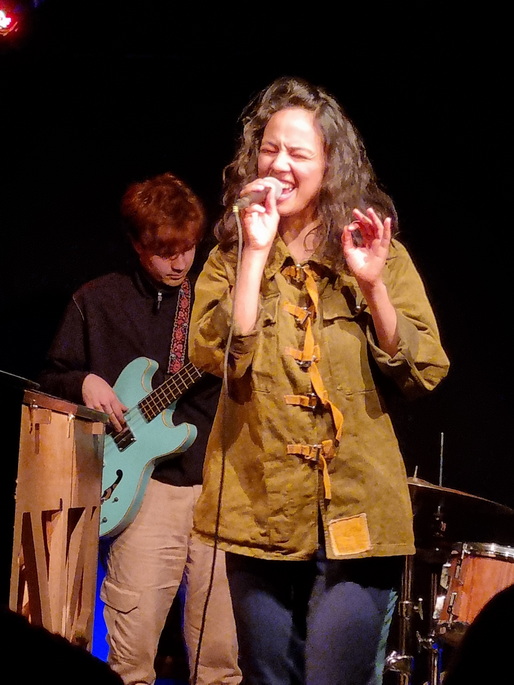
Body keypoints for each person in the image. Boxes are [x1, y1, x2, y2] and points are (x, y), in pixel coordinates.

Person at [187, 77, 450, 685]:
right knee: (267, 677)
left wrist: (373, 285)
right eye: (269, 149)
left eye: (298, 153)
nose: (279, 165)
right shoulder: (229, 256)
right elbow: (217, 355)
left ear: (330, 165)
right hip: (259, 511)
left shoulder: (376, 251)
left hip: (360, 510)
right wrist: (254, 254)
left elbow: (425, 368)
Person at [39, 172, 241, 685]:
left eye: (188, 249)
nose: (179, 263)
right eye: (165, 252)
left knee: (221, 663)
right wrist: (84, 382)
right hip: (145, 492)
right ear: (135, 243)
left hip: (219, 489)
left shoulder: (213, 301)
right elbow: (51, 379)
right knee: (130, 663)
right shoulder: (96, 301)